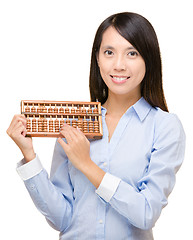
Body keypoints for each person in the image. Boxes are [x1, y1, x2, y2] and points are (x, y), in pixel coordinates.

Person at [7, 12, 185, 240]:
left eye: (132, 53)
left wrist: (86, 164)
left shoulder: (165, 127)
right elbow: (61, 218)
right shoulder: (74, 124)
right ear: (98, 58)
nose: (119, 65)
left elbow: (146, 213)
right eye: (109, 52)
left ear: (148, 59)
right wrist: (29, 156)